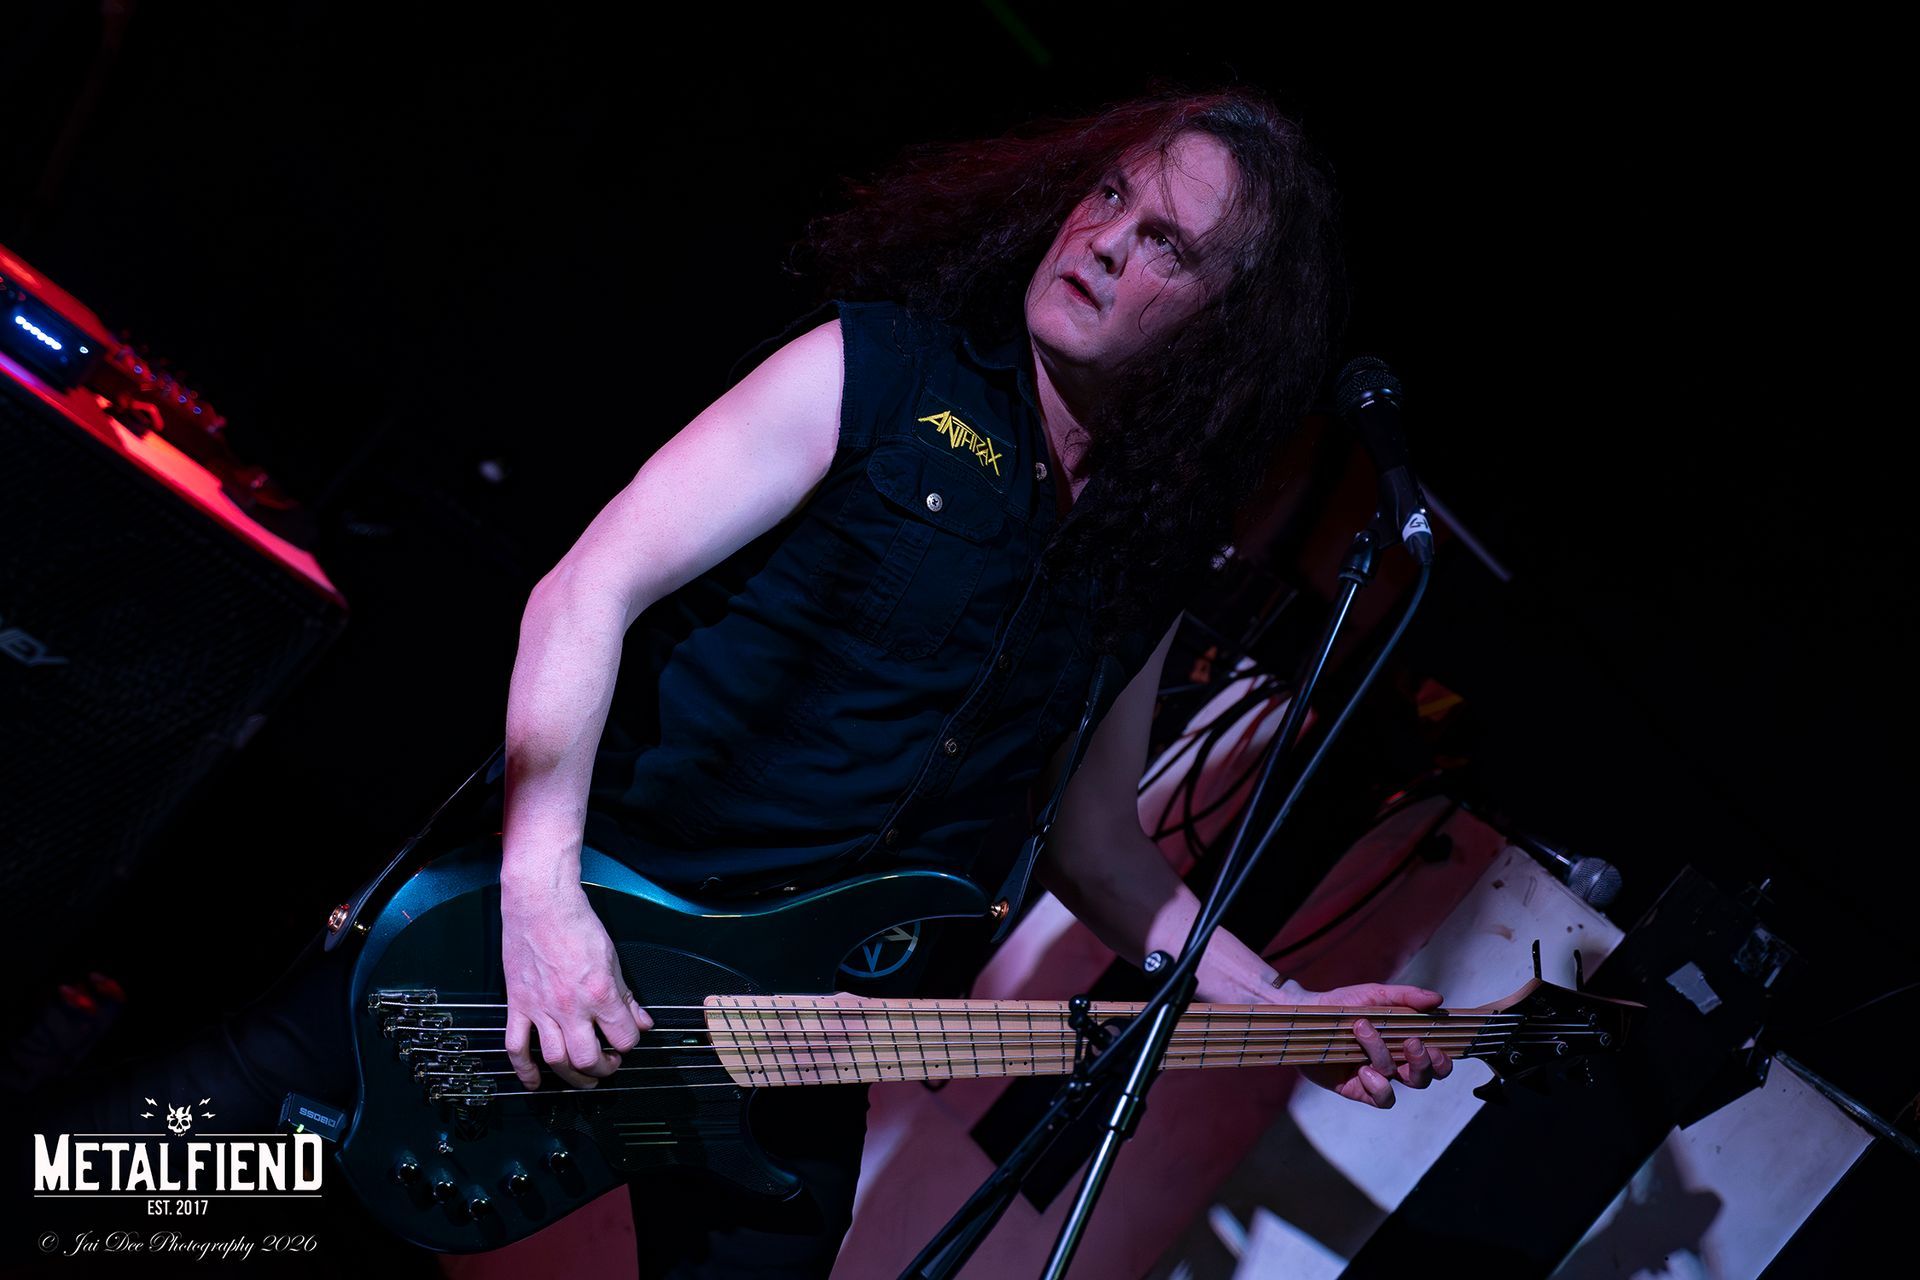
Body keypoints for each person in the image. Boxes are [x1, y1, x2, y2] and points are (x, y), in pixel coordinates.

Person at [9, 84, 1453, 1278]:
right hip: (572, 929)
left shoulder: (1143, 550)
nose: (1105, 243)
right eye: (1109, 197)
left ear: (1221, 322)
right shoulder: (873, 374)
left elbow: (1098, 848)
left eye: (1167, 245)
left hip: (791, 1042)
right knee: (121, 1195)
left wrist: (1284, 1009)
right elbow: (586, 591)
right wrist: (543, 906)